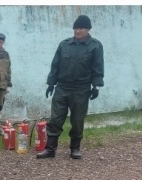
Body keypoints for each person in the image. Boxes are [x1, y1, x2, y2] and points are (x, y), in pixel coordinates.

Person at [38, 15, 104, 159]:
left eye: (81, 28)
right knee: (55, 119)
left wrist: (96, 86)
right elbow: (55, 65)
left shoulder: (95, 46)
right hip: (62, 87)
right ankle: (50, 149)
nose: (77, 31)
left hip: (81, 89)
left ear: (88, 30)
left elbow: (97, 67)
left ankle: (75, 148)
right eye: (76, 28)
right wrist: (51, 83)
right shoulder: (64, 45)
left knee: (77, 120)